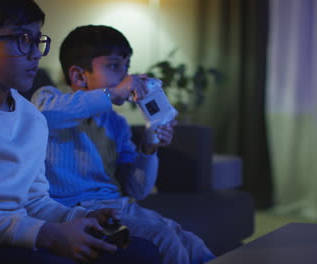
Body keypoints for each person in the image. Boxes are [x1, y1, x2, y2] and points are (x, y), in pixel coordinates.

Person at [0, 2, 161, 264]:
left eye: (38, 41)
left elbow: (35, 201)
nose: (36, 54)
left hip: (15, 233)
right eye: (23, 40)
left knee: (141, 252)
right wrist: (48, 234)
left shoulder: (32, 116)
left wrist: (77, 218)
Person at [31, 25, 216, 264]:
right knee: (163, 238)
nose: (125, 76)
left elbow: (137, 190)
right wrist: (112, 94)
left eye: (126, 67)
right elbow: (46, 117)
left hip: (121, 208)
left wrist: (148, 148)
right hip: (76, 212)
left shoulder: (117, 123)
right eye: (113, 66)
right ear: (78, 75)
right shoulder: (48, 98)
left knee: (190, 241)